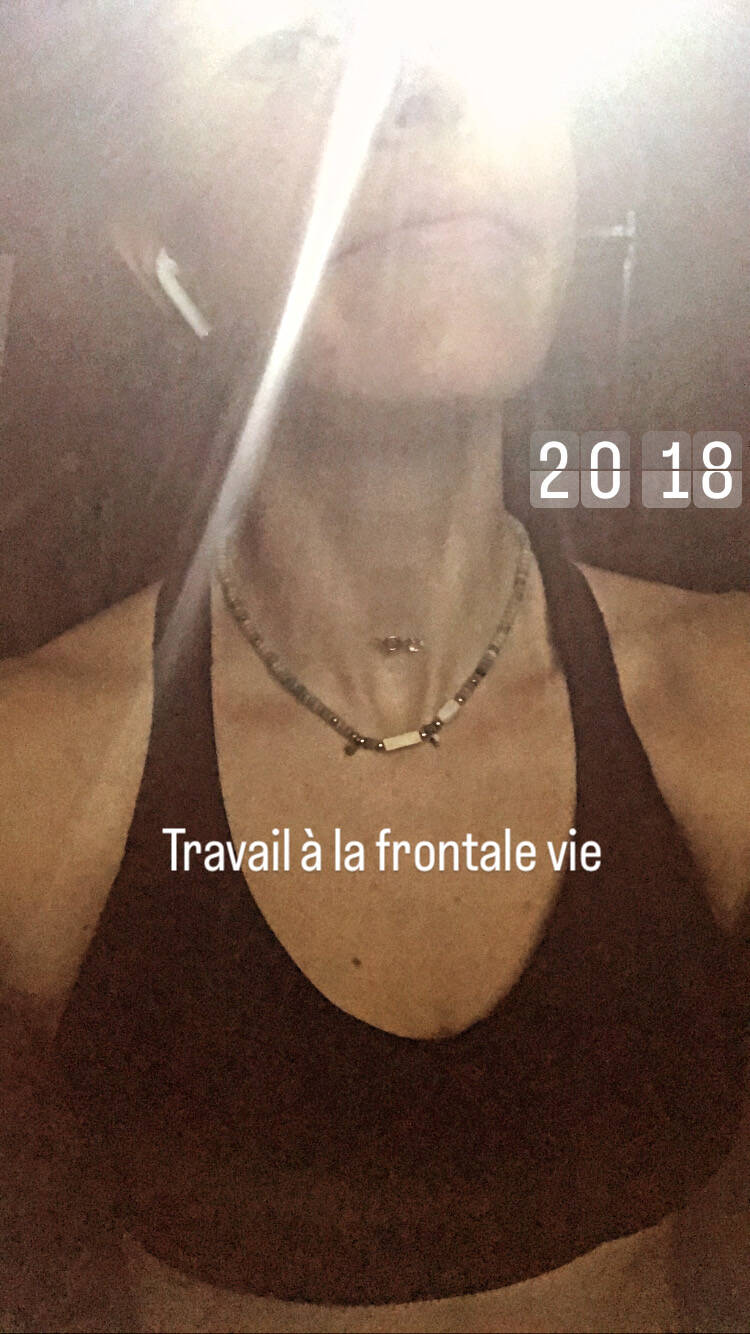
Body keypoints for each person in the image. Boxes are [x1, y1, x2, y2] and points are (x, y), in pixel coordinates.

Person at [1, 4, 748, 1331]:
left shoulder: (727, 708)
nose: (426, 83)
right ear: (164, 247)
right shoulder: (28, 786)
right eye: (297, 38)